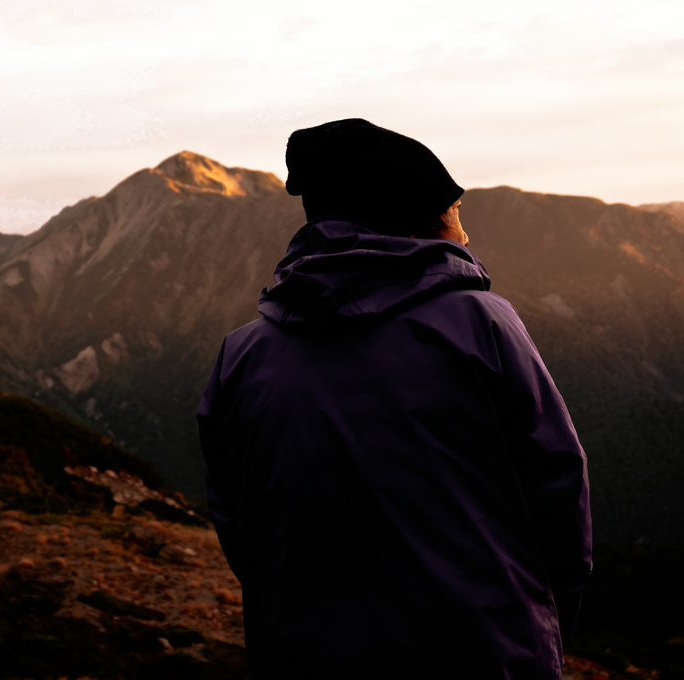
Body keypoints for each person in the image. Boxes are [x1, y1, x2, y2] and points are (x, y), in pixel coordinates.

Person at [197, 119, 592, 679]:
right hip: (482, 651)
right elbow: (557, 486)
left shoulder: (241, 354)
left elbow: (238, 517)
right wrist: (542, 618)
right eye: (454, 214)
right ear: (417, 220)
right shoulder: (481, 323)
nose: (465, 235)